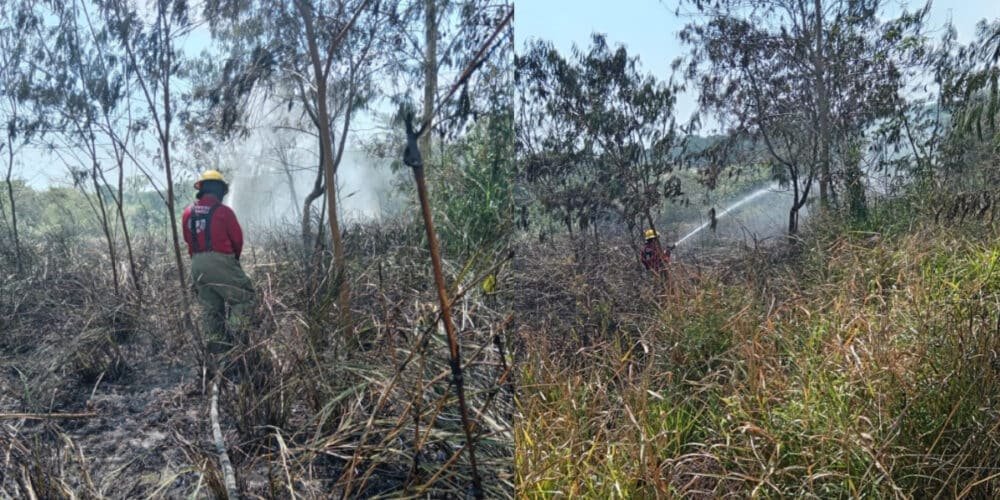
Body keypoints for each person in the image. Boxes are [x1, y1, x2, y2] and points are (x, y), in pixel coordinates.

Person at [181, 169, 255, 362]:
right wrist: (232, 264)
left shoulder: (187, 213)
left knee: (211, 309)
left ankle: (217, 354)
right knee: (244, 299)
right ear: (220, 191)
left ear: (202, 190)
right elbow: (237, 241)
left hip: (197, 264)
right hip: (221, 261)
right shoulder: (224, 212)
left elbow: (188, 241)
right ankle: (236, 340)